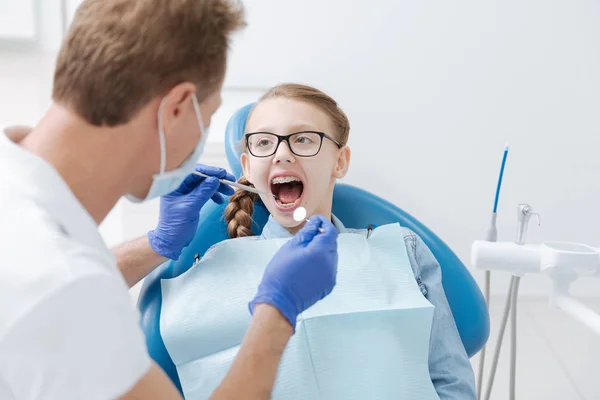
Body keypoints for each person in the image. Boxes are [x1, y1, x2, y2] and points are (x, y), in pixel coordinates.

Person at [0, 2, 339, 400]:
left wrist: (157, 243)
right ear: (177, 108)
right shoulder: (61, 286)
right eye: (209, 115)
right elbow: (62, 293)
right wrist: (277, 313)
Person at [153, 83, 477, 399]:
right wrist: (158, 244)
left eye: (303, 139)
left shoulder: (402, 252)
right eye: (264, 142)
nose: (281, 153)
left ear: (340, 161)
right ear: (248, 166)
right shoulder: (208, 271)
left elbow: (452, 385)